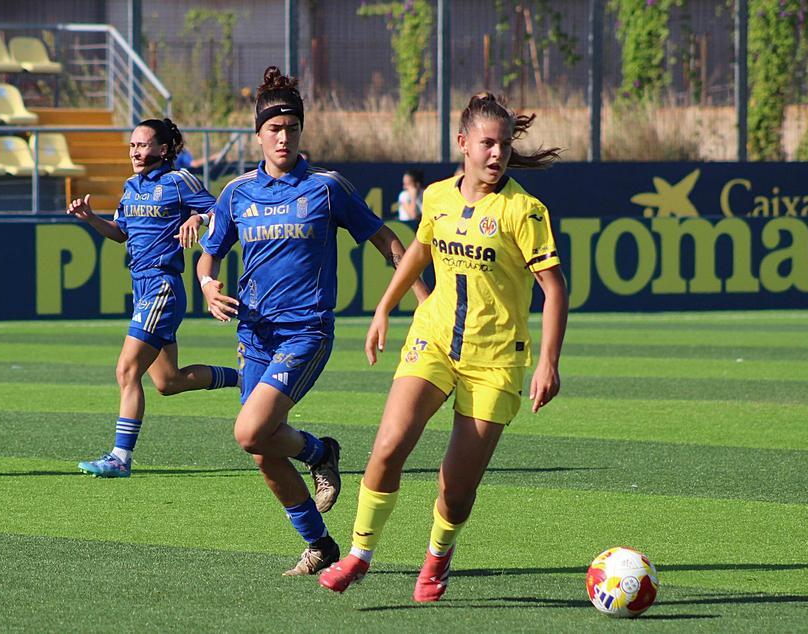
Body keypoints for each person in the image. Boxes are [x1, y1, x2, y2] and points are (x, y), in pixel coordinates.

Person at [318, 92, 567, 601]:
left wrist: (548, 362)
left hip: (494, 359)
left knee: (455, 487)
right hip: (433, 338)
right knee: (387, 448)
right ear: (463, 143)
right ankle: (358, 557)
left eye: (503, 144)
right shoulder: (437, 197)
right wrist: (385, 307)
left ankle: (436, 559)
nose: (497, 154)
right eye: (487, 144)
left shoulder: (524, 210)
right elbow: (420, 250)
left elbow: (555, 288)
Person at [194, 66, 428, 577]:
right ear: (258, 134)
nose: (283, 137)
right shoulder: (235, 195)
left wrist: (423, 300)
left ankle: (321, 451)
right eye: (274, 129)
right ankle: (320, 545)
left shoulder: (326, 188)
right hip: (253, 336)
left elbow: (388, 241)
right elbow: (207, 258)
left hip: (306, 332)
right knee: (260, 449)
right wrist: (208, 287)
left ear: (301, 132)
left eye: (292, 128)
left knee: (250, 430)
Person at [67, 118, 240, 479]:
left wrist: (196, 217)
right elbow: (120, 234)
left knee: (126, 369)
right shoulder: (130, 187)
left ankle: (120, 457)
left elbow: (221, 212)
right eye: (132, 145)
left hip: (163, 286)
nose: (135, 151)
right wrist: (90, 219)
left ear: (163, 150)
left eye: (142, 145)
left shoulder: (179, 181)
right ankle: (244, 377)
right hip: (143, 288)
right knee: (168, 382)